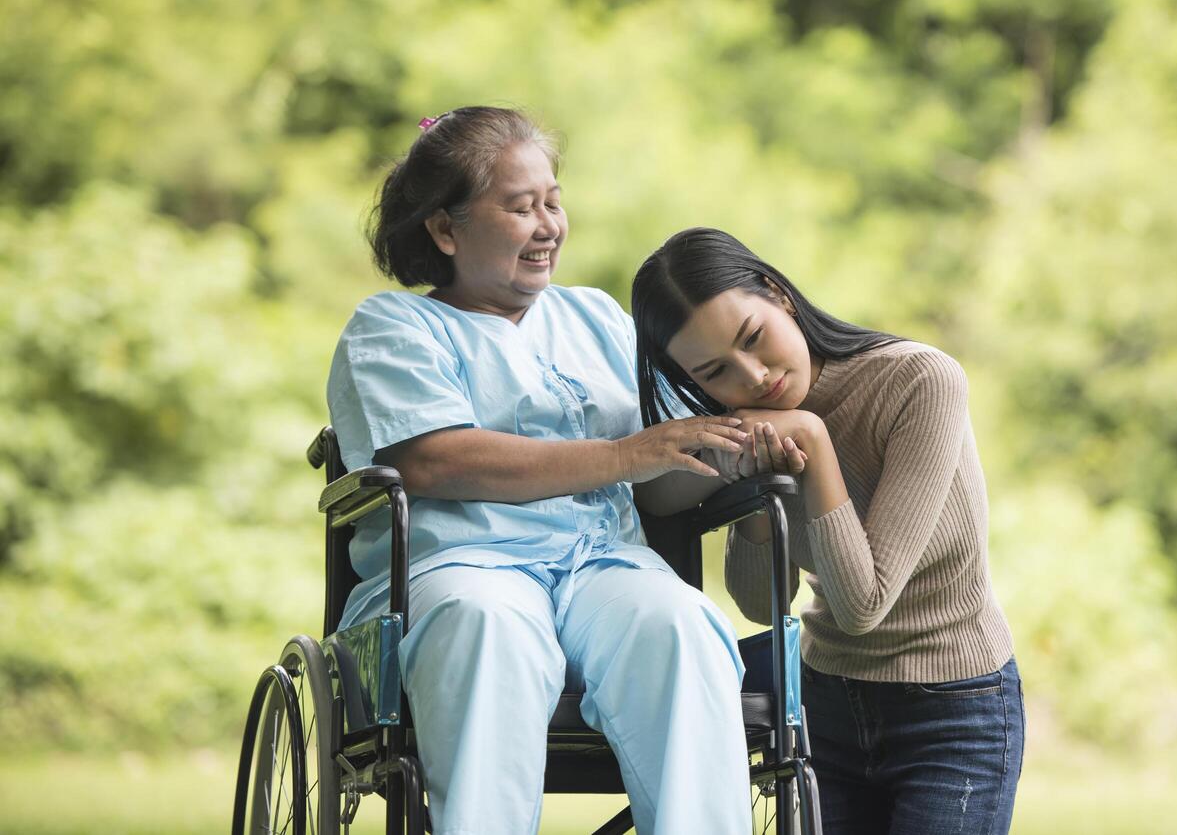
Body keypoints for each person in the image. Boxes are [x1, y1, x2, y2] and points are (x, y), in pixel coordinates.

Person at [326, 108, 754, 835]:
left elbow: (666, 464)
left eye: (552, 201)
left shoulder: (597, 318)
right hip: (460, 566)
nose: (548, 224)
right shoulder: (393, 327)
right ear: (445, 229)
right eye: (520, 207)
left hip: (602, 565)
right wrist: (626, 453)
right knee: (487, 624)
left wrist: (727, 451)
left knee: (681, 623)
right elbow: (432, 457)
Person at [632, 227, 1025, 835]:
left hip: (953, 712)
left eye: (754, 338)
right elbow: (762, 603)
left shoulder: (920, 382)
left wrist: (813, 442)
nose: (754, 376)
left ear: (778, 293)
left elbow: (863, 603)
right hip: (825, 706)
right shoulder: (752, 426)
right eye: (716, 372)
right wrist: (757, 487)